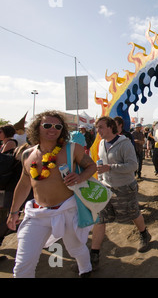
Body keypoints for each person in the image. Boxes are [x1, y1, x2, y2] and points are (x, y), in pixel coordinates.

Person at [6, 110, 97, 278]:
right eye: (47, 125)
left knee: (75, 248)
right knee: (23, 263)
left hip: (68, 210)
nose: (52, 129)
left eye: (58, 126)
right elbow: (24, 183)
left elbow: (91, 166)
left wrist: (79, 177)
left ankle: (86, 270)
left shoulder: (72, 149)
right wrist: (13, 212)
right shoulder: (27, 154)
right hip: (36, 214)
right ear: (37, 128)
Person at [91, 116, 151, 270]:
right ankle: (94, 253)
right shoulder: (101, 144)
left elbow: (133, 166)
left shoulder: (124, 144)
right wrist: (100, 179)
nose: (98, 131)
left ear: (111, 127)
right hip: (106, 187)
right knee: (100, 219)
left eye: (101, 127)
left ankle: (144, 234)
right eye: (97, 128)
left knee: (133, 213)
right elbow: (101, 164)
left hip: (124, 187)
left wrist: (110, 167)